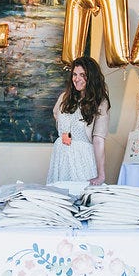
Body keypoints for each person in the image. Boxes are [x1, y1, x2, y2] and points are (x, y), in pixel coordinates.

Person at [47, 56, 110, 186]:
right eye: (74, 74)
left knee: (81, 194)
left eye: (82, 75)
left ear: (91, 77)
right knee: (59, 195)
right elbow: (56, 115)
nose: (77, 79)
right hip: (61, 157)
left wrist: (101, 175)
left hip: (83, 159)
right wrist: (66, 135)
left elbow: (98, 140)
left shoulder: (100, 102)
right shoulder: (64, 97)